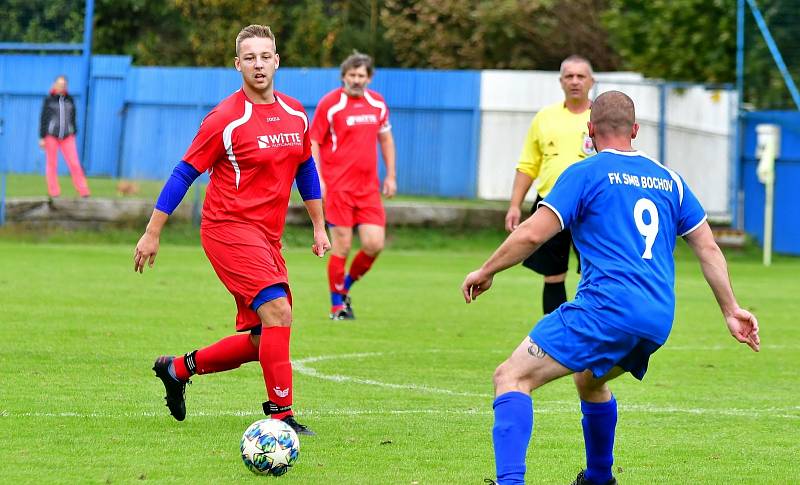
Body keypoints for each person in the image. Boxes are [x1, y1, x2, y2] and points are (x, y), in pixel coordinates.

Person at [462, 91, 760, 485]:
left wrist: (487, 269)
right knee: (589, 379)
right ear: (635, 131)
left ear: (590, 130)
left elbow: (532, 233)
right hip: (656, 318)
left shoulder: (586, 172)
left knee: (511, 377)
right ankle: (600, 478)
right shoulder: (669, 179)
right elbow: (707, 246)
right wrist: (730, 308)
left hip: (606, 310)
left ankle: (510, 482)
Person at [134, 24, 330, 436]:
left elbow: (305, 169)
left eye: (265, 56)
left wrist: (318, 225)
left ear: (276, 61)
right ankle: (281, 417)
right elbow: (183, 173)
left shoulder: (296, 113)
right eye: (250, 58)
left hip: (267, 237)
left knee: (263, 340)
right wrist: (153, 231)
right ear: (237, 64)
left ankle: (177, 369)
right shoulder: (225, 118)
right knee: (278, 311)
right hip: (227, 229)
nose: (258, 65)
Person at [309, 51, 397, 320]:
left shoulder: (378, 104)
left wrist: (391, 175)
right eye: (352, 75)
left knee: (374, 244)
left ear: (369, 78)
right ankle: (337, 307)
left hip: (368, 189)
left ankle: (344, 288)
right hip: (339, 189)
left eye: (361, 75)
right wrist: (318, 179)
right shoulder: (330, 104)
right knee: (342, 247)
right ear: (343, 76)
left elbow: (386, 140)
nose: (356, 80)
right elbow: (314, 141)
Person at [505, 55, 595, 315]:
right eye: (569, 76)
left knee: (595, 273)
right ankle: (556, 336)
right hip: (551, 205)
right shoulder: (545, 118)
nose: (575, 82)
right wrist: (514, 205)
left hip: (591, 209)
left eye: (581, 76)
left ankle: (592, 332)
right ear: (560, 81)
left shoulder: (600, 117)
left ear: (592, 81)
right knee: (553, 275)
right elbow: (528, 165)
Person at [38, 75, 91, 198]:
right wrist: (42, 137)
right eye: (59, 84)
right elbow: (43, 118)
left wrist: (73, 130)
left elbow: (73, 116)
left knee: (74, 163)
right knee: (52, 164)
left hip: (68, 136)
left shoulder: (70, 99)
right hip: (51, 136)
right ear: (55, 85)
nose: (61, 86)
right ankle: (54, 192)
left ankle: (83, 191)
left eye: (64, 84)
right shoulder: (49, 99)